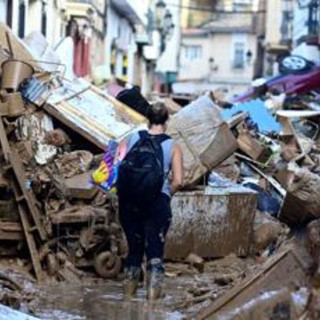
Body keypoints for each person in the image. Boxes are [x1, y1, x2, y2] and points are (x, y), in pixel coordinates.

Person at [115, 101, 183, 300]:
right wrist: (165, 194)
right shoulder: (173, 146)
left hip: (129, 203)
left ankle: (128, 301)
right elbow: (178, 180)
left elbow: (115, 165)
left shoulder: (132, 137)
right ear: (167, 121)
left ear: (147, 118)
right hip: (157, 205)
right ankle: (152, 306)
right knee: (155, 253)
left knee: (134, 252)